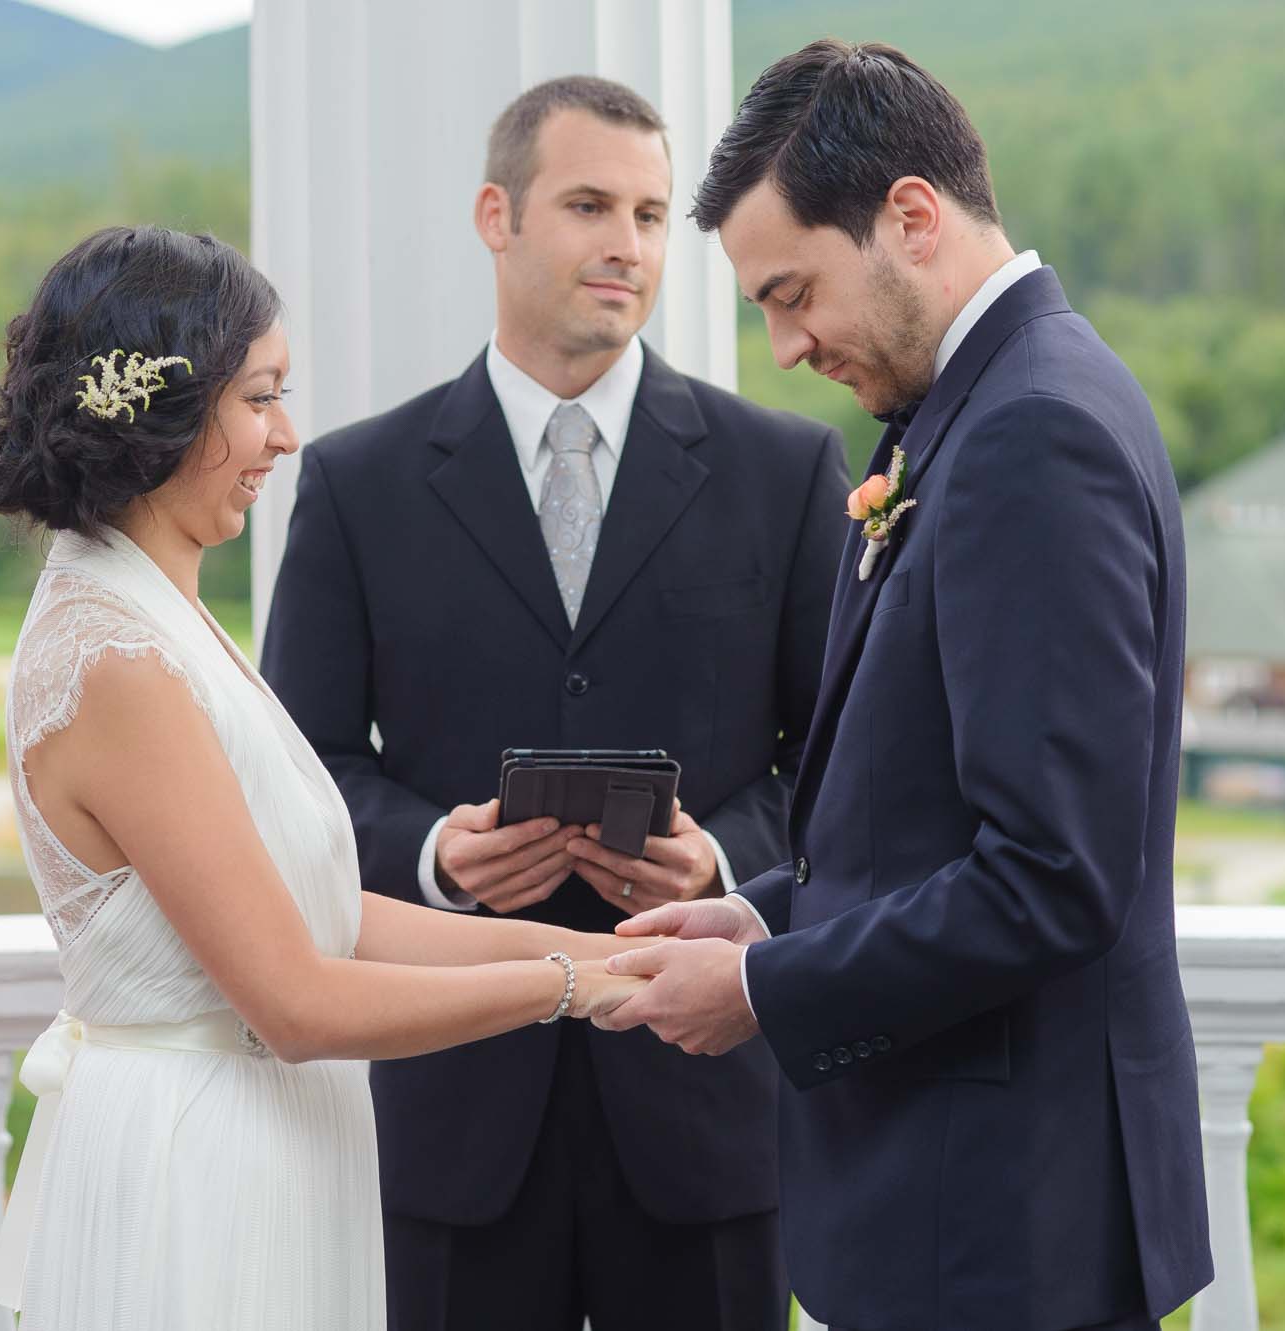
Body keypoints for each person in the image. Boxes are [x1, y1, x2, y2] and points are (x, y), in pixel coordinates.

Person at [603, 41, 1213, 1331]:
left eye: (792, 291)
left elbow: (1051, 874)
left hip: (1000, 1227)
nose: (780, 347)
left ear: (911, 219)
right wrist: (766, 916)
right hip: (958, 1209)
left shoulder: (1030, 433)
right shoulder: (972, 407)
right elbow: (921, 815)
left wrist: (768, 991)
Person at [0, 224, 645, 1331]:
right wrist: (568, 991)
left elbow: (327, 915)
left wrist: (600, 949)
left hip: (263, 1143)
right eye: (259, 398)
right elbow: (294, 998)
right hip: (197, 1168)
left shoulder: (158, 611)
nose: (284, 435)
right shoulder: (116, 656)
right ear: (164, 413)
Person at [263, 78, 848, 1331]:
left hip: (706, 1118)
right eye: (587, 204)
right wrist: (433, 852)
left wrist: (723, 859)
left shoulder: (786, 473)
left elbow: (842, 761)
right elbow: (297, 769)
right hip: (449, 1118)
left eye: (647, 212)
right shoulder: (354, 484)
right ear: (497, 215)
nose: (625, 245)